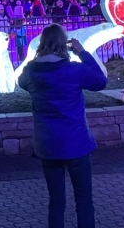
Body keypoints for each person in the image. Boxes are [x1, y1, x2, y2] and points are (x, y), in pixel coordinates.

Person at [18, 23, 107, 228]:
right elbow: (100, 81)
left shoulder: (32, 72)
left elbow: (23, 83)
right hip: (76, 144)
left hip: (47, 146)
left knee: (56, 202)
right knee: (83, 201)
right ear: (63, 44)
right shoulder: (73, 71)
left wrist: (38, 58)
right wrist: (82, 52)